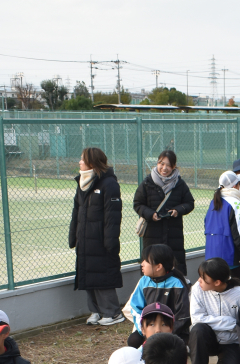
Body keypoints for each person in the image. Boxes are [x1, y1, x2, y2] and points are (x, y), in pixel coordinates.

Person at [71, 147, 125, 327]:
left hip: (101, 242)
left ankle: (113, 312)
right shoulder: (81, 182)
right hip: (85, 240)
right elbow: (76, 211)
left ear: (92, 162)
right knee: (88, 276)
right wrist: (74, 236)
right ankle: (95, 311)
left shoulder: (109, 184)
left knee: (103, 277)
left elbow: (113, 217)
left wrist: (110, 241)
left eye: (82, 159)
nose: (79, 162)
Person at [189, 257, 240, 364]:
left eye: (204, 279)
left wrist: (234, 324)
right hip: (209, 338)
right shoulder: (197, 289)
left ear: (217, 282)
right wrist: (230, 322)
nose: (199, 281)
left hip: (231, 342)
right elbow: (197, 318)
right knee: (198, 329)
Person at [134, 150, 196, 278]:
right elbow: (138, 204)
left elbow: (190, 203)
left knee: (175, 272)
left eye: (168, 165)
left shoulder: (180, 184)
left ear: (174, 167)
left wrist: (178, 210)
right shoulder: (147, 183)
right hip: (152, 235)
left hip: (174, 235)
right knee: (152, 270)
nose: (164, 168)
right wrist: (151, 214)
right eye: (161, 164)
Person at [128, 244, 191, 346]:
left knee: (178, 344)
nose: (142, 264)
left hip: (171, 330)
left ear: (158, 267)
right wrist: (144, 330)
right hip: (150, 329)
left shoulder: (177, 284)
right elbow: (136, 308)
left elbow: (183, 316)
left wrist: (169, 332)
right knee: (133, 341)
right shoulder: (143, 282)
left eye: (145, 261)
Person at [203, 170, 240, 276]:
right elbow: (239, 230)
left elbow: (206, 224)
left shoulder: (214, 201)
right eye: (239, 183)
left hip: (211, 253)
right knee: (238, 286)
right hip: (228, 255)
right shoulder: (235, 203)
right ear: (235, 186)